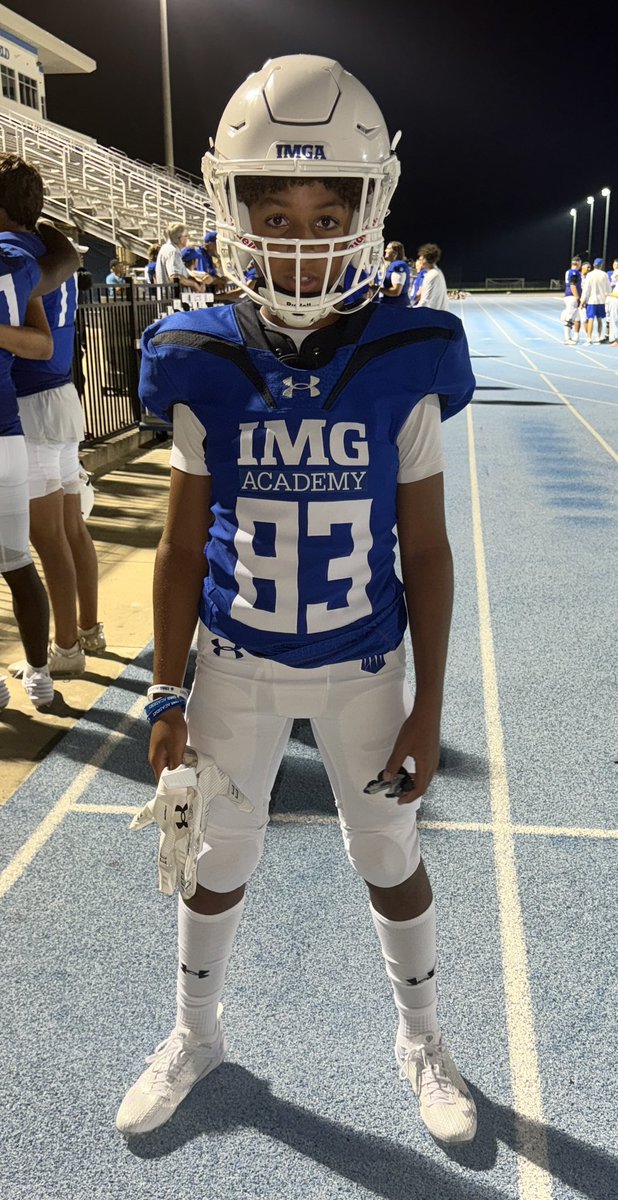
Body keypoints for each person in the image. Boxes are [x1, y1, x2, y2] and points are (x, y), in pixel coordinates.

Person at [116, 54, 478, 1148]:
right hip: (235, 663)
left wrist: (428, 707)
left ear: (369, 213)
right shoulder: (197, 353)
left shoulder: (409, 353)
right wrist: (163, 690)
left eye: (329, 216)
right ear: (235, 211)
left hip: (364, 666)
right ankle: (196, 1034)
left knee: (391, 858)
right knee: (215, 863)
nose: (305, 242)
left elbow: (428, 549)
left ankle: (422, 1038)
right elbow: (181, 546)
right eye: (277, 215)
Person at [0, 162, 106, 679]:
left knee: (47, 537)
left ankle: (65, 648)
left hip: (29, 404)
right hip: (61, 393)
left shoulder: (10, 253)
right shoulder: (45, 247)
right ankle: (88, 628)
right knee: (70, 527)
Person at [155, 224, 204, 293]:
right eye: (186, 236)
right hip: (173, 297)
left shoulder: (166, 248)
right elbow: (174, 277)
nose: (187, 238)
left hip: (167, 295)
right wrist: (194, 284)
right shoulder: (173, 251)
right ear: (180, 238)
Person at [581, 257, 611, 345]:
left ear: (594, 265)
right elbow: (608, 289)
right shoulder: (604, 275)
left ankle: (589, 338)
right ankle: (598, 337)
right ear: (601, 265)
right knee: (599, 319)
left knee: (590, 319)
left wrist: (583, 300)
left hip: (591, 300)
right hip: (601, 300)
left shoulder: (590, 275)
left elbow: (586, 289)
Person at [415, 244, 448, 311]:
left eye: (422, 258)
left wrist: (412, 311)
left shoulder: (431, 275)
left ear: (426, 259)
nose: (420, 260)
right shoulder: (437, 271)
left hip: (434, 314)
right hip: (439, 312)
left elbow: (425, 301)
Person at [379, 240, 411, 305]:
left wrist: (376, 289)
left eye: (388, 248)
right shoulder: (392, 265)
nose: (385, 250)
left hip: (397, 306)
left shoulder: (398, 265)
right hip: (391, 304)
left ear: (395, 253)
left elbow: (396, 291)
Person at [560, 255, 582, 344]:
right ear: (578, 263)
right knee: (569, 319)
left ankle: (571, 337)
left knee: (575, 317)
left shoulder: (568, 271)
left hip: (568, 296)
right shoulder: (574, 272)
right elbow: (573, 285)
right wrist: (577, 297)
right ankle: (567, 338)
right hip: (572, 297)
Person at [607, 258, 618, 346]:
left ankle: (616, 340)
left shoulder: (616, 272)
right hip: (614, 298)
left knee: (614, 320)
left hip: (615, 299)